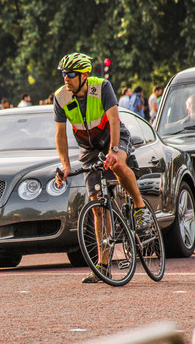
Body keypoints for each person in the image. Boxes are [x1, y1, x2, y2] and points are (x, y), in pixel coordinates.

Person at [53, 52, 147, 284]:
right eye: (64, 74)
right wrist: (65, 165)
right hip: (88, 145)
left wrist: (114, 150)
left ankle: (139, 205)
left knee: (118, 165)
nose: (66, 78)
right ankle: (103, 265)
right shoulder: (60, 97)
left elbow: (114, 119)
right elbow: (60, 135)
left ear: (84, 76)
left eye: (71, 74)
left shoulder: (102, 86)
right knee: (96, 206)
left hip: (111, 136)